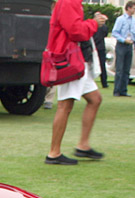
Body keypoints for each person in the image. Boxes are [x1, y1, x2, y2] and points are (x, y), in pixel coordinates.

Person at [44, 0, 108, 165]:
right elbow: (76, 31)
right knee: (65, 106)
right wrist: (94, 23)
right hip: (70, 60)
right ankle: (54, 153)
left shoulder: (70, 3)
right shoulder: (69, 2)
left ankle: (83, 145)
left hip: (77, 59)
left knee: (95, 99)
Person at [111, 1, 135, 97]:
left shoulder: (134, 21)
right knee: (119, 68)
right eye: (134, 8)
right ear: (129, 8)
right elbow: (115, 32)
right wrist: (123, 40)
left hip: (130, 45)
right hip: (122, 45)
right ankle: (117, 90)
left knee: (127, 69)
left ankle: (124, 90)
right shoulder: (120, 19)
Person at [92, 16, 108, 89]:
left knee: (100, 65)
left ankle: (103, 81)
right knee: (102, 65)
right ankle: (104, 82)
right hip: (100, 47)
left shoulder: (100, 27)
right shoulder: (103, 27)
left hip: (96, 47)